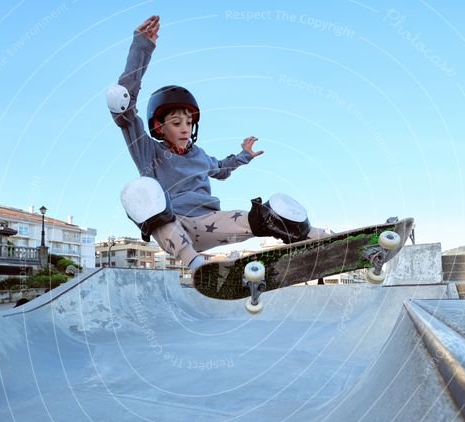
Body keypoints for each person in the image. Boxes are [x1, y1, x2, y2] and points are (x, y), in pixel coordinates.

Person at [108, 15, 328, 270]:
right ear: (159, 127)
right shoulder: (147, 151)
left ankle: (321, 239)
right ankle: (199, 267)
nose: (185, 129)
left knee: (267, 214)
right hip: (171, 226)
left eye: (188, 123)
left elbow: (221, 169)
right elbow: (123, 106)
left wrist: (243, 155)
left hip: (208, 223)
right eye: (177, 123)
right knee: (139, 190)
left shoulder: (199, 155)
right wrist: (141, 48)